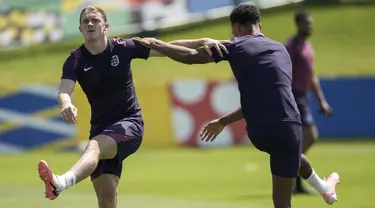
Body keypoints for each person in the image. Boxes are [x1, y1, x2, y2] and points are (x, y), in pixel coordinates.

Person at [133, 3, 340, 208]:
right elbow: (270, 95)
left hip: (259, 131)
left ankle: (324, 187)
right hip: (287, 126)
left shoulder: (235, 46)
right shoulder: (281, 49)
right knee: (283, 192)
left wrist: (157, 44)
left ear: (237, 28)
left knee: (292, 155)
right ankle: (324, 187)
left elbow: (190, 56)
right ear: (259, 25)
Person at [37, 5, 227, 208]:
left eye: (95, 20)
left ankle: (60, 182)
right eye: (85, 21)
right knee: (107, 199)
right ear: (80, 28)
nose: (90, 24)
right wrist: (66, 104)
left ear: (105, 26)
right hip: (100, 129)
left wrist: (202, 41)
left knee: (93, 147)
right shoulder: (75, 60)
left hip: (129, 124)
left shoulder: (123, 47)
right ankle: (61, 183)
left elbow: (166, 46)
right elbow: (65, 90)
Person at [284, 10, 332, 194]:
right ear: (298, 24)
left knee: (303, 140)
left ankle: (294, 176)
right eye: (307, 23)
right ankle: (291, 169)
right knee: (309, 137)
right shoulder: (291, 47)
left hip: (303, 96)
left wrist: (321, 101)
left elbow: (312, 76)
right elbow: (283, 73)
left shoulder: (307, 47)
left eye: (311, 23)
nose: (310, 26)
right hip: (294, 96)